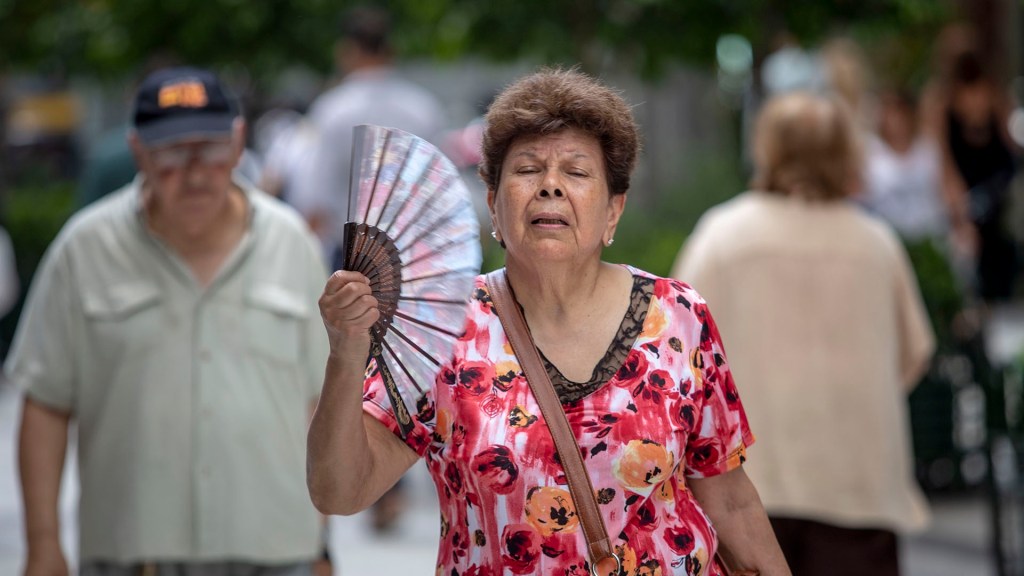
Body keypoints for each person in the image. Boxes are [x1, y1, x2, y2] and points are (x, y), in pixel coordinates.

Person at [307, 67, 791, 576]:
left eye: (577, 172)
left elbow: (729, 497)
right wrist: (345, 351)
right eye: (527, 170)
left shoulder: (679, 316)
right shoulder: (442, 328)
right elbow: (339, 490)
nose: (550, 187)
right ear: (493, 205)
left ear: (613, 212)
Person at [10, 66, 330, 576]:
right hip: (132, 555)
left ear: (238, 140)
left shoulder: (291, 243)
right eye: (173, 153)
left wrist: (323, 540)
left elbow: (321, 401)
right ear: (138, 151)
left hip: (276, 550)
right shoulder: (85, 248)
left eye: (210, 147)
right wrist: (43, 544)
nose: (196, 170)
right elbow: (45, 402)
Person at [672, 92, 935, 576]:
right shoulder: (876, 243)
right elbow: (914, 352)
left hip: (748, 489)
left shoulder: (723, 235)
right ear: (845, 153)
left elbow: (677, 353)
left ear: (767, 149)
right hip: (859, 484)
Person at [291, 5, 447, 269]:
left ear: (346, 51)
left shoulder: (332, 109)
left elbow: (315, 197)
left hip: (353, 255)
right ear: (390, 50)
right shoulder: (423, 108)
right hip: (415, 252)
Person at [861, 89, 948, 242]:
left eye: (899, 113)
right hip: (889, 239)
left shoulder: (928, 148)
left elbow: (946, 188)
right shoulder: (870, 152)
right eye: (889, 113)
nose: (895, 120)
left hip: (931, 236)